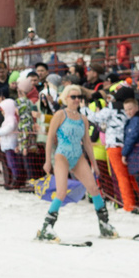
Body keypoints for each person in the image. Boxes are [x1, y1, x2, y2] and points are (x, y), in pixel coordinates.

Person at [37, 84, 120, 241]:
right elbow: (50, 138)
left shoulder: (83, 118)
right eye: (73, 97)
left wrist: (94, 164)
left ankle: (104, 224)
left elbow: (87, 142)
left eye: (79, 97)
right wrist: (48, 161)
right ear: (66, 98)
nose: (76, 100)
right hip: (62, 156)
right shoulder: (60, 115)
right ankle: (46, 227)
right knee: (61, 192)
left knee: (94, 189)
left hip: (78, 156)